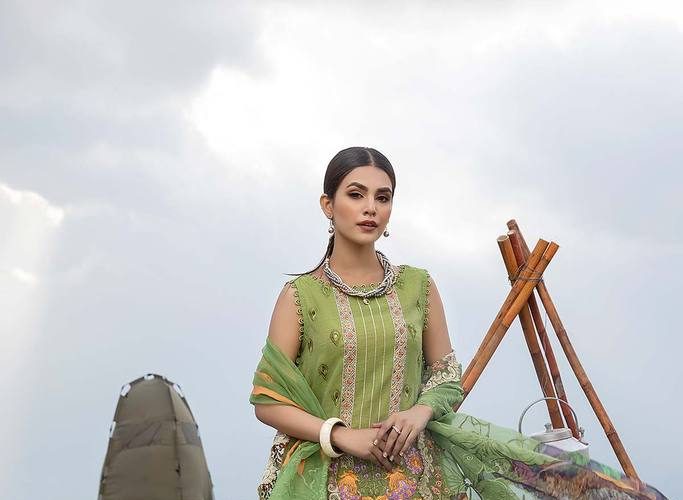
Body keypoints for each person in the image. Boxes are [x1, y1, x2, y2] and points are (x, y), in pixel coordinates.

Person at [249, 147, 666, 499]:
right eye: (356, 195)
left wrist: (420, 412)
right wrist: (341, 435)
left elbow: (446, 373)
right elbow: (268, 400)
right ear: (328, 205)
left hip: (415, 478)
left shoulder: (417, 286)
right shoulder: (299, 297)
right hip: (324, 479)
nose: (371, 208)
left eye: (383, 197)